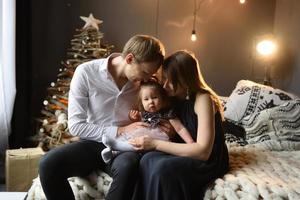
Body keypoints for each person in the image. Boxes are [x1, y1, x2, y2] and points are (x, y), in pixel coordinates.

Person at [38, 34, 166, 200]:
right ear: (129, 59)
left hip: (124, 146)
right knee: (48, 164)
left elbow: (161, 108)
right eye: (145, 72)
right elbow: (76, 126)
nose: (148, 78)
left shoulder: (144, 84)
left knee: (128, 165)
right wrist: (119, 130)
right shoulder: (86, 72)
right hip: (91, 144)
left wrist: (164, 124)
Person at [130, 50, 229, 200]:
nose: (165, 85)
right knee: (147, 159)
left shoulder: (203, 99)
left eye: (171, 80)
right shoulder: (170, 97)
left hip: (207, 159)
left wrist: (155, 144)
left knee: (163, 168)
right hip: (182, 149)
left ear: (185, 79)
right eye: (164, 79)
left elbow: (203, 152)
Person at [101, 79, 194, 163]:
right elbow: (139, 122)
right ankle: (113, 153)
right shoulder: (144, 113)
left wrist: (190, 143)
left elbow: (180, 128)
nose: (151, 102)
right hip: (142, 137)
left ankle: (115, 145)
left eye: (155, 97)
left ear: (162, 98)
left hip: (157, 141)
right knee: (130, 138)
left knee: (137, 142)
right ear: (141, 102)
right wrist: (133, 117)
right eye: (146, 99)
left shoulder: (167, 113)